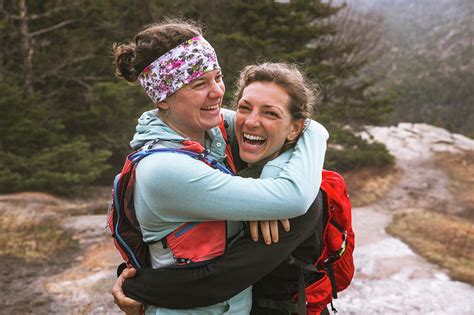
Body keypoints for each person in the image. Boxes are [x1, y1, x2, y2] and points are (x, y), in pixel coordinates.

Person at [111, 19, 328, 315]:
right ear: (163, 99)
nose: (216, 92)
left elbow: (302, 126)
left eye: (218, 77)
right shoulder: (163, 169)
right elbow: (293, 197)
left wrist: (271, 178)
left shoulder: (209, 129)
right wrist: (274, 198)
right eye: (200, 84)